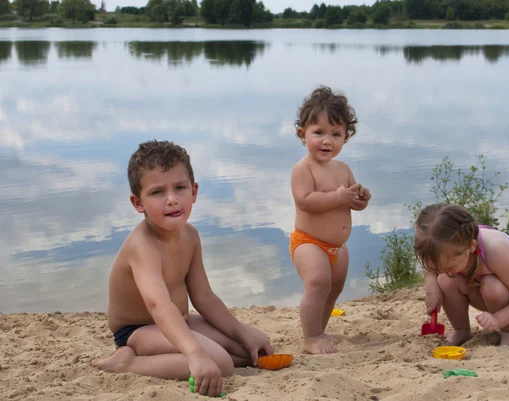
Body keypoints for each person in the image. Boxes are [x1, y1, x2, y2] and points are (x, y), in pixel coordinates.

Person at [92, 140, 273, 397]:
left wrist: (242, 331)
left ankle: (218, 344)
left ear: (194, 191)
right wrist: (195, 354)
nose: (172, 200)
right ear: (138, 203)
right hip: (138, 331)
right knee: (220, 363)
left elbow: (204, 297)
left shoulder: (190, 236)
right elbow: (158, 305)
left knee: (249, 348)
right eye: (157, 192)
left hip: (181, 321)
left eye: (179, 188)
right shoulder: (143, 246)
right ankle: (129, 363)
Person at [290, 86, 372, 354]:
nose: (327, 141)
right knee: (318, 284)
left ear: (345, 138)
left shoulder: (343, 169)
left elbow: (349, 201)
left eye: (336, 134)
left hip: (338, 247)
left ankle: (320, 330)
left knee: (332, 290)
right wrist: (338, 197)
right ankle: (311, 336)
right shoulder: (303, 168)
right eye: (319, 133)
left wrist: (359, 200)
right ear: (303, 135)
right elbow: (305, 201)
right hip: (308, 242)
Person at [414, 203, 509, 346]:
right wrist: (432, 286)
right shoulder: (446, 248)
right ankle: (461, 330)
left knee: (492, 287)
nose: (441, 270)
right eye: (436, 267)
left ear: (471, 247)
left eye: (449, 266)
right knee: (445, 280)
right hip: (477, 284)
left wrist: (498, 319)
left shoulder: (494, 251)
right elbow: (433, 269)